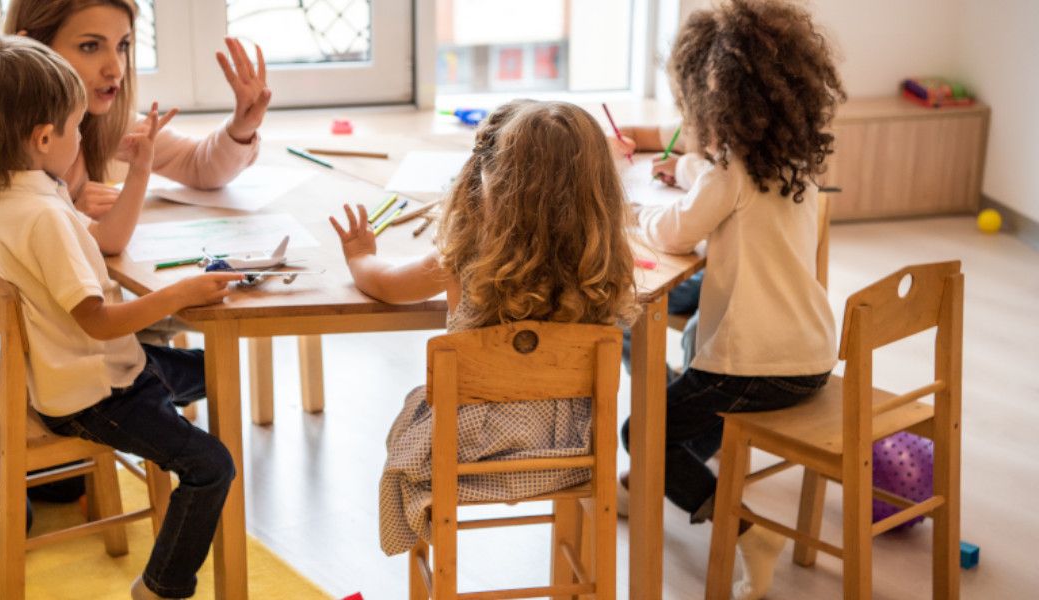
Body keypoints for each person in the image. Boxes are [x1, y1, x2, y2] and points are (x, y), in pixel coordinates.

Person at [0, 0, 268, 553]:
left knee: (69, 477)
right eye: (90, 46)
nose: (113, 68)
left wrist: (241, 126)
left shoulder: (68, 115)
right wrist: (38, 241)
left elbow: (197, 167)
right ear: (30, 46)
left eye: (122, 45)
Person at [0, 34, 246, 599]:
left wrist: (138, 171)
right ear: (44, 138)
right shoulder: (42, 216)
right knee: (211, 466)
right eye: (76, 127)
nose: (83, 136)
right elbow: (100, 321)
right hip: (96, 396)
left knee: (220, 374)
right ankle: (161, 586)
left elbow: (108, 238)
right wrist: (180, 294)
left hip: (90, 374)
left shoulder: (7, 200)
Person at [329, 100, 638, 555]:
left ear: (491, 182)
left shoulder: (464, 260)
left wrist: (359, 254)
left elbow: (385, 285)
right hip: (572, 456)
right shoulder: (604, 268)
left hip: (468, 458)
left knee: (407, 426)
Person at [618, 1, 845, 598]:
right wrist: (688, 170)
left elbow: (671, 233)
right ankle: (654, 478)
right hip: (812, 358)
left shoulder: (727, 176)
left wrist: (631, 206)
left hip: (754, 366)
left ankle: (744, 531)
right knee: (689, 389)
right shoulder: (795, 167)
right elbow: (723, 181)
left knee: (642, 429)